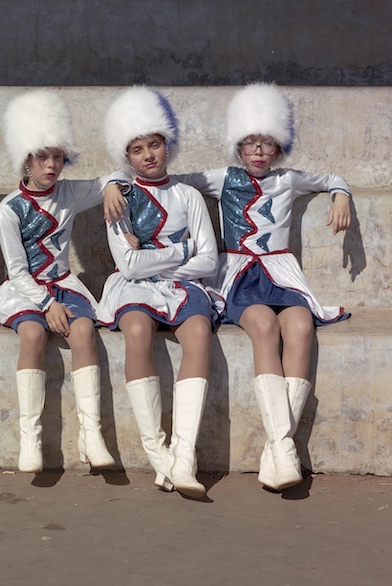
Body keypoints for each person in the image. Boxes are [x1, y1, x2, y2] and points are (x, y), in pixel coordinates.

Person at [174, 83, 352, 491]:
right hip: (239, 274)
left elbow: (332, 177)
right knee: (264, 328)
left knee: (302, 327)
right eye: (250, 143)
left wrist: (340, 195)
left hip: (281, 272)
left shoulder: (288, 179)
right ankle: (283, 446)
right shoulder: (221, 178)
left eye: (267, 144)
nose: (258, 151)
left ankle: (277, 449)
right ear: (238, 147)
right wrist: (117, 183)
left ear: (279, 148)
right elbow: (171, 180)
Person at [0, 90, 128, 473]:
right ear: (26, 159)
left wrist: (113, 187)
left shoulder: (70, 192)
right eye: (42, 156)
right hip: (25, 290)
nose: (51, 165)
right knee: (33, 336)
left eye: (57, 156)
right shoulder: (9, 210)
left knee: (84, 330)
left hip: (64, 283)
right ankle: (31, 440)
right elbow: (17, 271)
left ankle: (92, 434)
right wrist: (45, 305)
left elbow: (115, 175)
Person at [96, 87, 218, 498]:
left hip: (183, 287)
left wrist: (164, 256)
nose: (148, 155)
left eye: (154, 144)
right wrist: (183, 249)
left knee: (200, 332)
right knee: (135, 332)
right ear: (126, 157)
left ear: (168, 145)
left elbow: (209, 260)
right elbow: (129, 266)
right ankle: (157, 453)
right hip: (133, 288)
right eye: (136, 149)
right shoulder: (119, 199)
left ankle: (184, 457)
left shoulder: (190, 195)